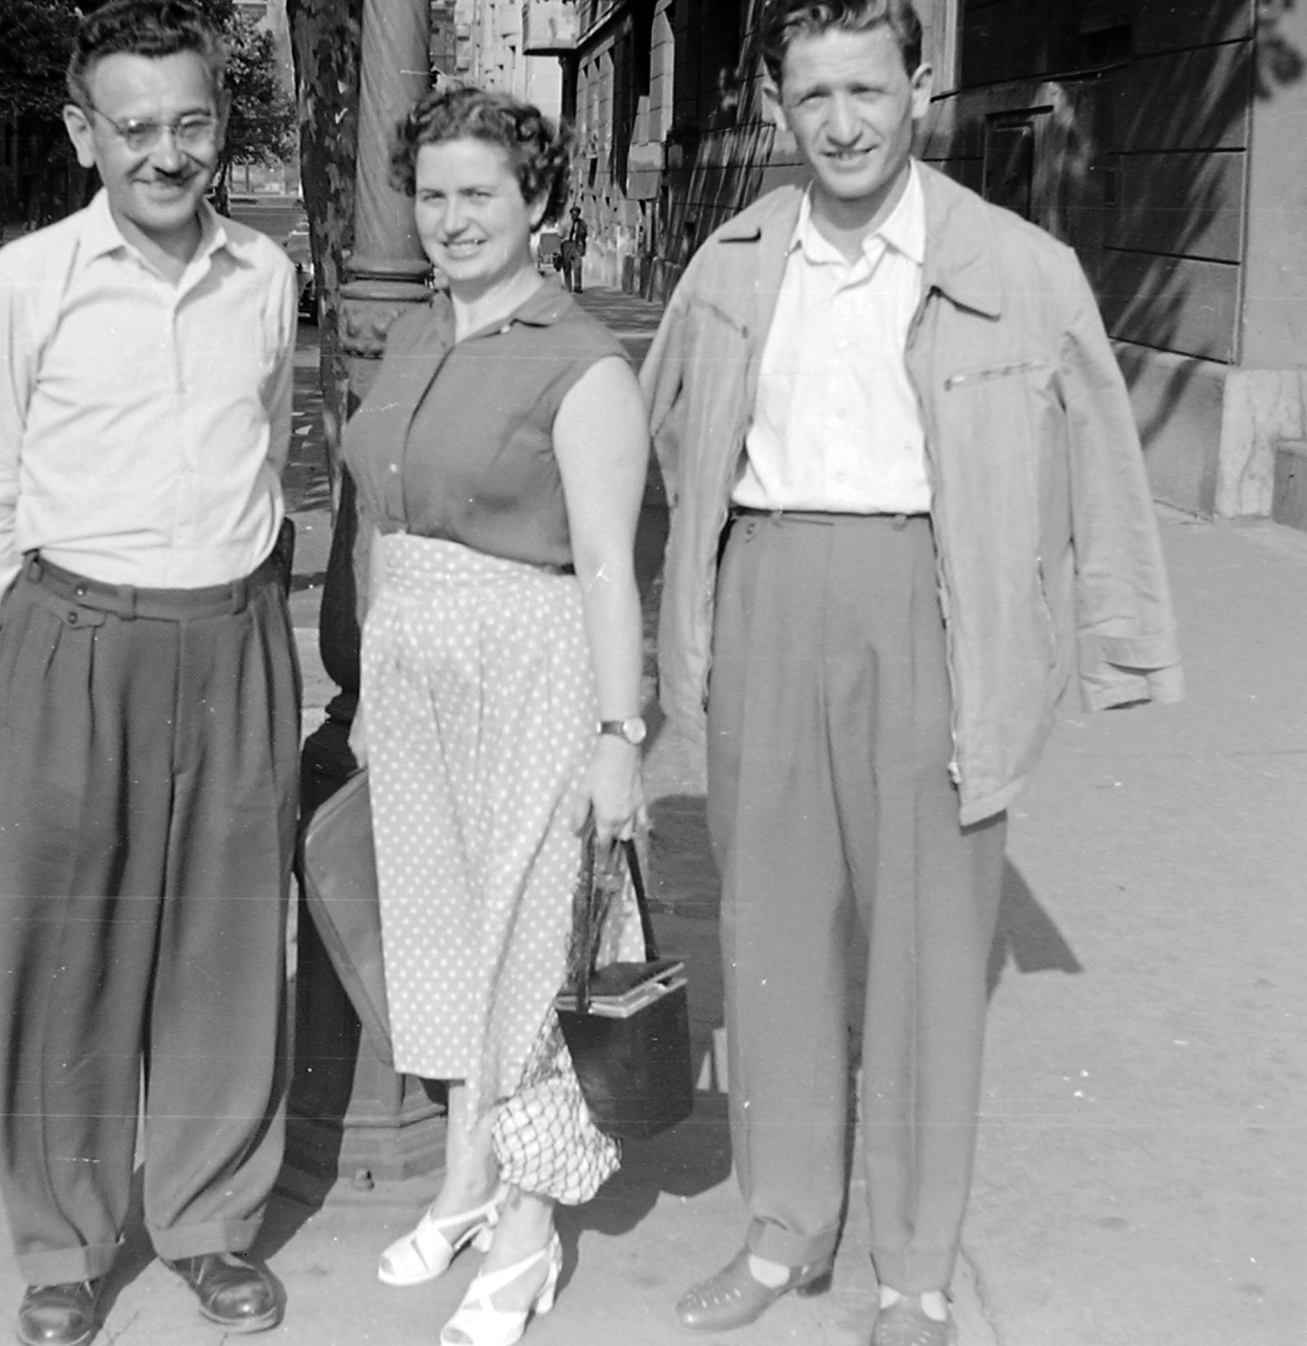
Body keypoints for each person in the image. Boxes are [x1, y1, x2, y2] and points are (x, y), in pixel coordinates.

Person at [641, 4, 1183, 1345]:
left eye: (867, 91)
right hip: (769, 593)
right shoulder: (732, 262)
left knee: (932, 958)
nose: (842, 123)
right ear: (779, 106)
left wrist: (1116, 645)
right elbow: (669, 437)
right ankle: (783, 1228)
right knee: (770, 934)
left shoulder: (1019, 265)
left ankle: (916, 1268)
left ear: (920, 89)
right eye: (814, 95)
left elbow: (1104, 464)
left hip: (936, 610)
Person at [0, 2, 300, 1343]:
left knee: (223, 941)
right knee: (68, 951)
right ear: (85, 131)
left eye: (191, 122)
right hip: (75, 640)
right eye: (135, 125)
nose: (166, 152)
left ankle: (207, 1219)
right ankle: (65, 1243)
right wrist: (56, 636)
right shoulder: (26, 281)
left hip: (233, 638)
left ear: (222, 125)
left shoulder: (264, 272)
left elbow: (263, 439)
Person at [342, 86, 650, 1346]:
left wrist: (620, 737)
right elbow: (374, 513)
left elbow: (608, 567)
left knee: (526, 948)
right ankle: (467, 1178)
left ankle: (528, 1232)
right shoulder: (412, 333)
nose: (452, 218)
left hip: (527, 666)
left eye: (480, 193)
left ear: (539, 204)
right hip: (412, 672)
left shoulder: (581, 360)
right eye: (432, 194)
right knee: (438, 931)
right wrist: (366, 690)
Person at [558, 205, 587, 292]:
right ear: (570, 214)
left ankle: (577, 286)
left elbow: (584, 236)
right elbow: (560, 237)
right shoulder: (565, 224)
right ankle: (568, 287)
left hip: (576, 244)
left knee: (578, 265)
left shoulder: (582, 224)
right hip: (566, 244)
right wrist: (559, 250)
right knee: (567, 267)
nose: (575, 216)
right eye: (573, 214)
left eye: (577, 214)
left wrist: (583, 247)